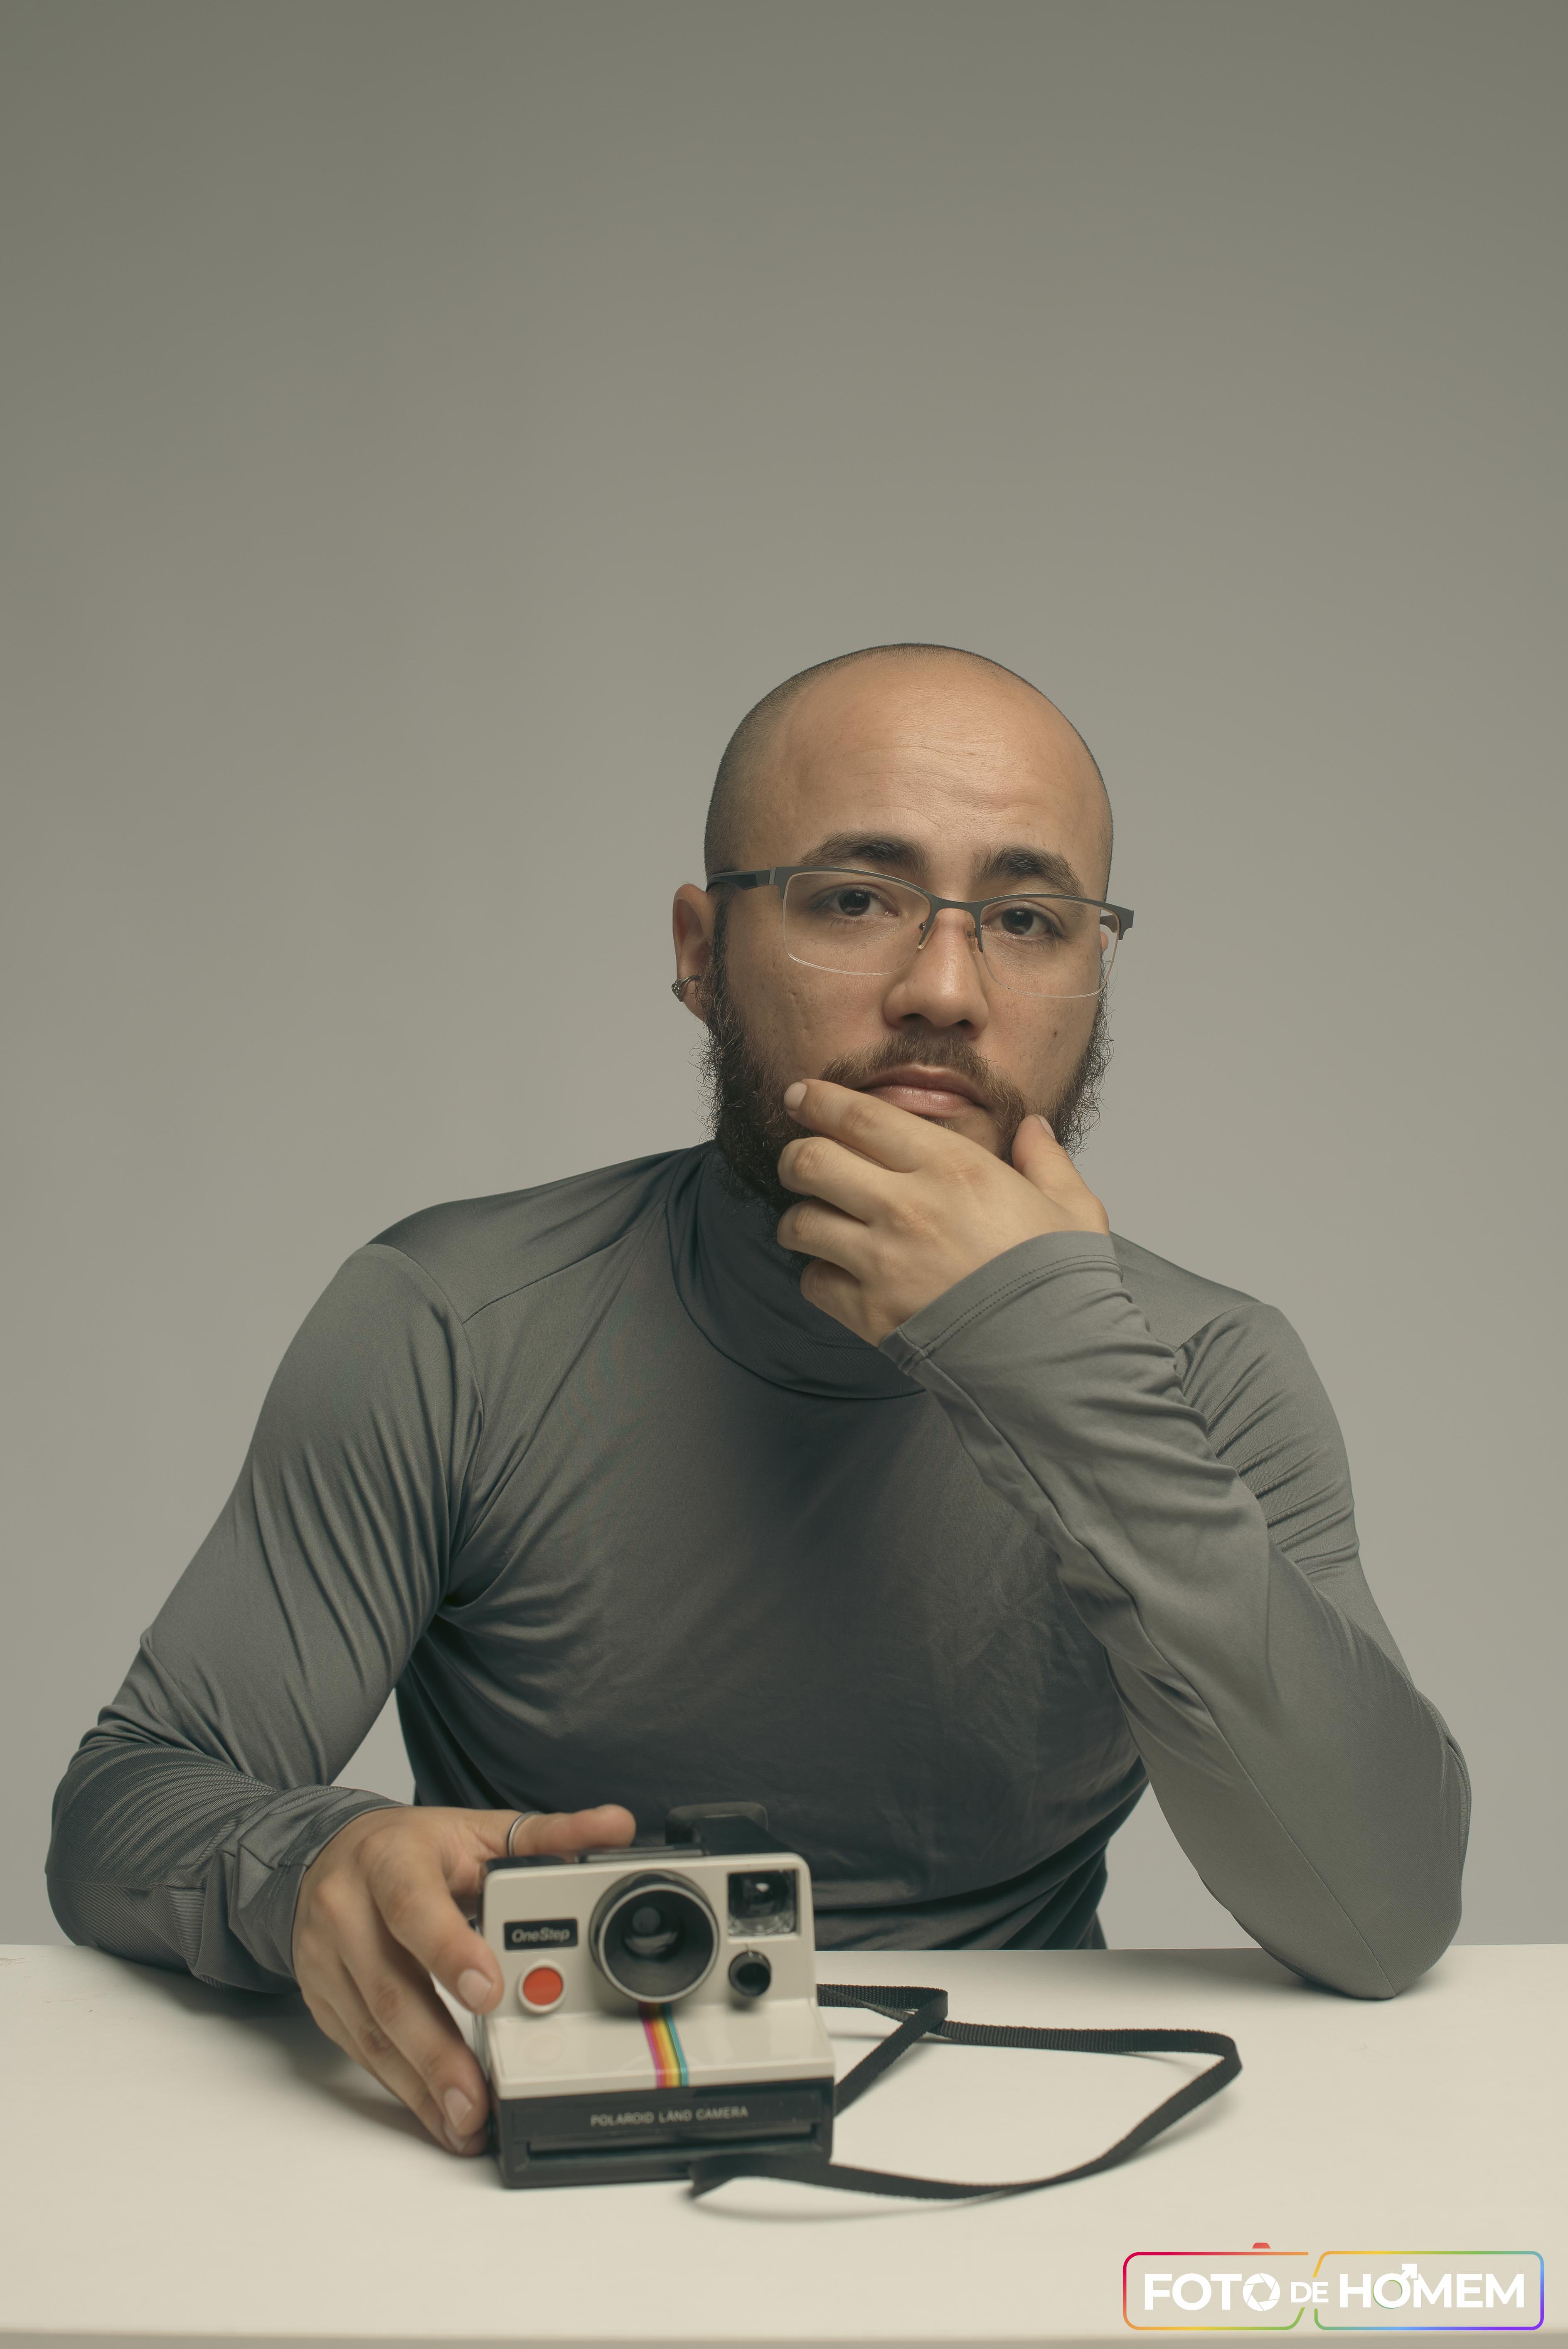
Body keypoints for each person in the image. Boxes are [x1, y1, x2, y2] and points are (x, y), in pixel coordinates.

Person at [47, 643, 1470, 2162]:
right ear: (701, 950)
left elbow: (1381, 1907)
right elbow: (123, 1804)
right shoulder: (451, 1324)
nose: (945, 990)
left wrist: (1060, 1369)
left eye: (1027, 918)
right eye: (854, 898)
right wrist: (309, 1859)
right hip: (548, 2144)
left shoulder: (1210, 1371)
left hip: (1027, 2142)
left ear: (1095, 973)